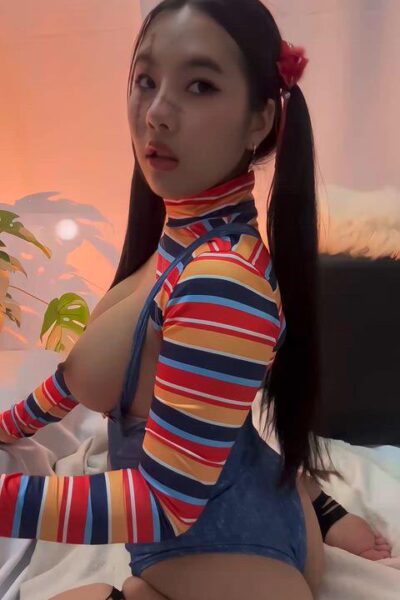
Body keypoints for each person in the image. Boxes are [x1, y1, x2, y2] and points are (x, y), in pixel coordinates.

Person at [0, 1, 391, 599]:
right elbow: (82, 376)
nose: (156, 113)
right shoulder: (181, 241)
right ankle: (313, 499)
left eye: (200, 85)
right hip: (242, 494)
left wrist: (7, 502)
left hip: (228, 551)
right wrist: (9, 425)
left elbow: (165, 502)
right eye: (145, 80)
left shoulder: (222, 281)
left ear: (260, 120)